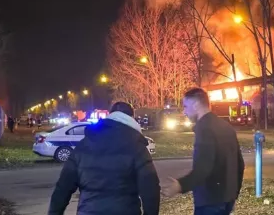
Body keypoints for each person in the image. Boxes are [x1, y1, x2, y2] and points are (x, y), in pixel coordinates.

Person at [48, 101, 160, 215]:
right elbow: (150, 189)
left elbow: (63, 188)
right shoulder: (137, 148)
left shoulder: (83, 146)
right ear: (132, 118)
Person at [162, 87, 245, 215]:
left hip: (210, 201)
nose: (184, 112)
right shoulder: (225, 126)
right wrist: (233, 194)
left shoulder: (204, 129)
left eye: (185, 106)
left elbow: (203, 168)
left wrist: (180, 185)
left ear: (196, 105)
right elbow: (240, 164)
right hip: (227, 199)